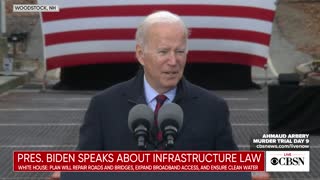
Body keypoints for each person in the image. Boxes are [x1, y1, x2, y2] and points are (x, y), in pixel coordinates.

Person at [51, 10, 269, 180]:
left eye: (180, 51)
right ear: (140, 54)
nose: (173, 61)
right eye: (164, 52)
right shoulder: (104, 106)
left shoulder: (213, 108)